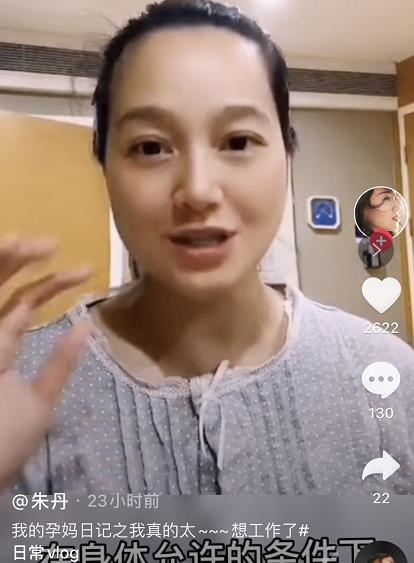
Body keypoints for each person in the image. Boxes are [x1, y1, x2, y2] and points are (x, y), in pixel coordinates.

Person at [1, 0, 414, 495]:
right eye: (150, 147)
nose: (197, 190)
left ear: (287, 154)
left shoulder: (385, 376)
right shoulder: (21, 389)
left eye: (238, 141)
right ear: (104, 165)